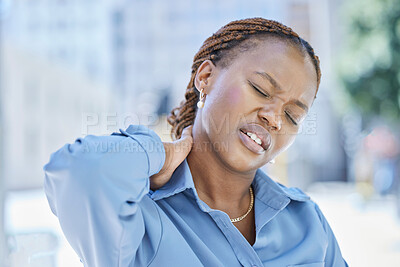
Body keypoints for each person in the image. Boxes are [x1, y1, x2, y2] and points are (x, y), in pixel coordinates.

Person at [43, 17, 349, 267]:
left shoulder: (308, 222)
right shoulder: (142, 220)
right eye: (260, 89)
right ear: (205, 77)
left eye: (293, 115)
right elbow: (78, 172)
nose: (275, 119)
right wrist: (160, 153)